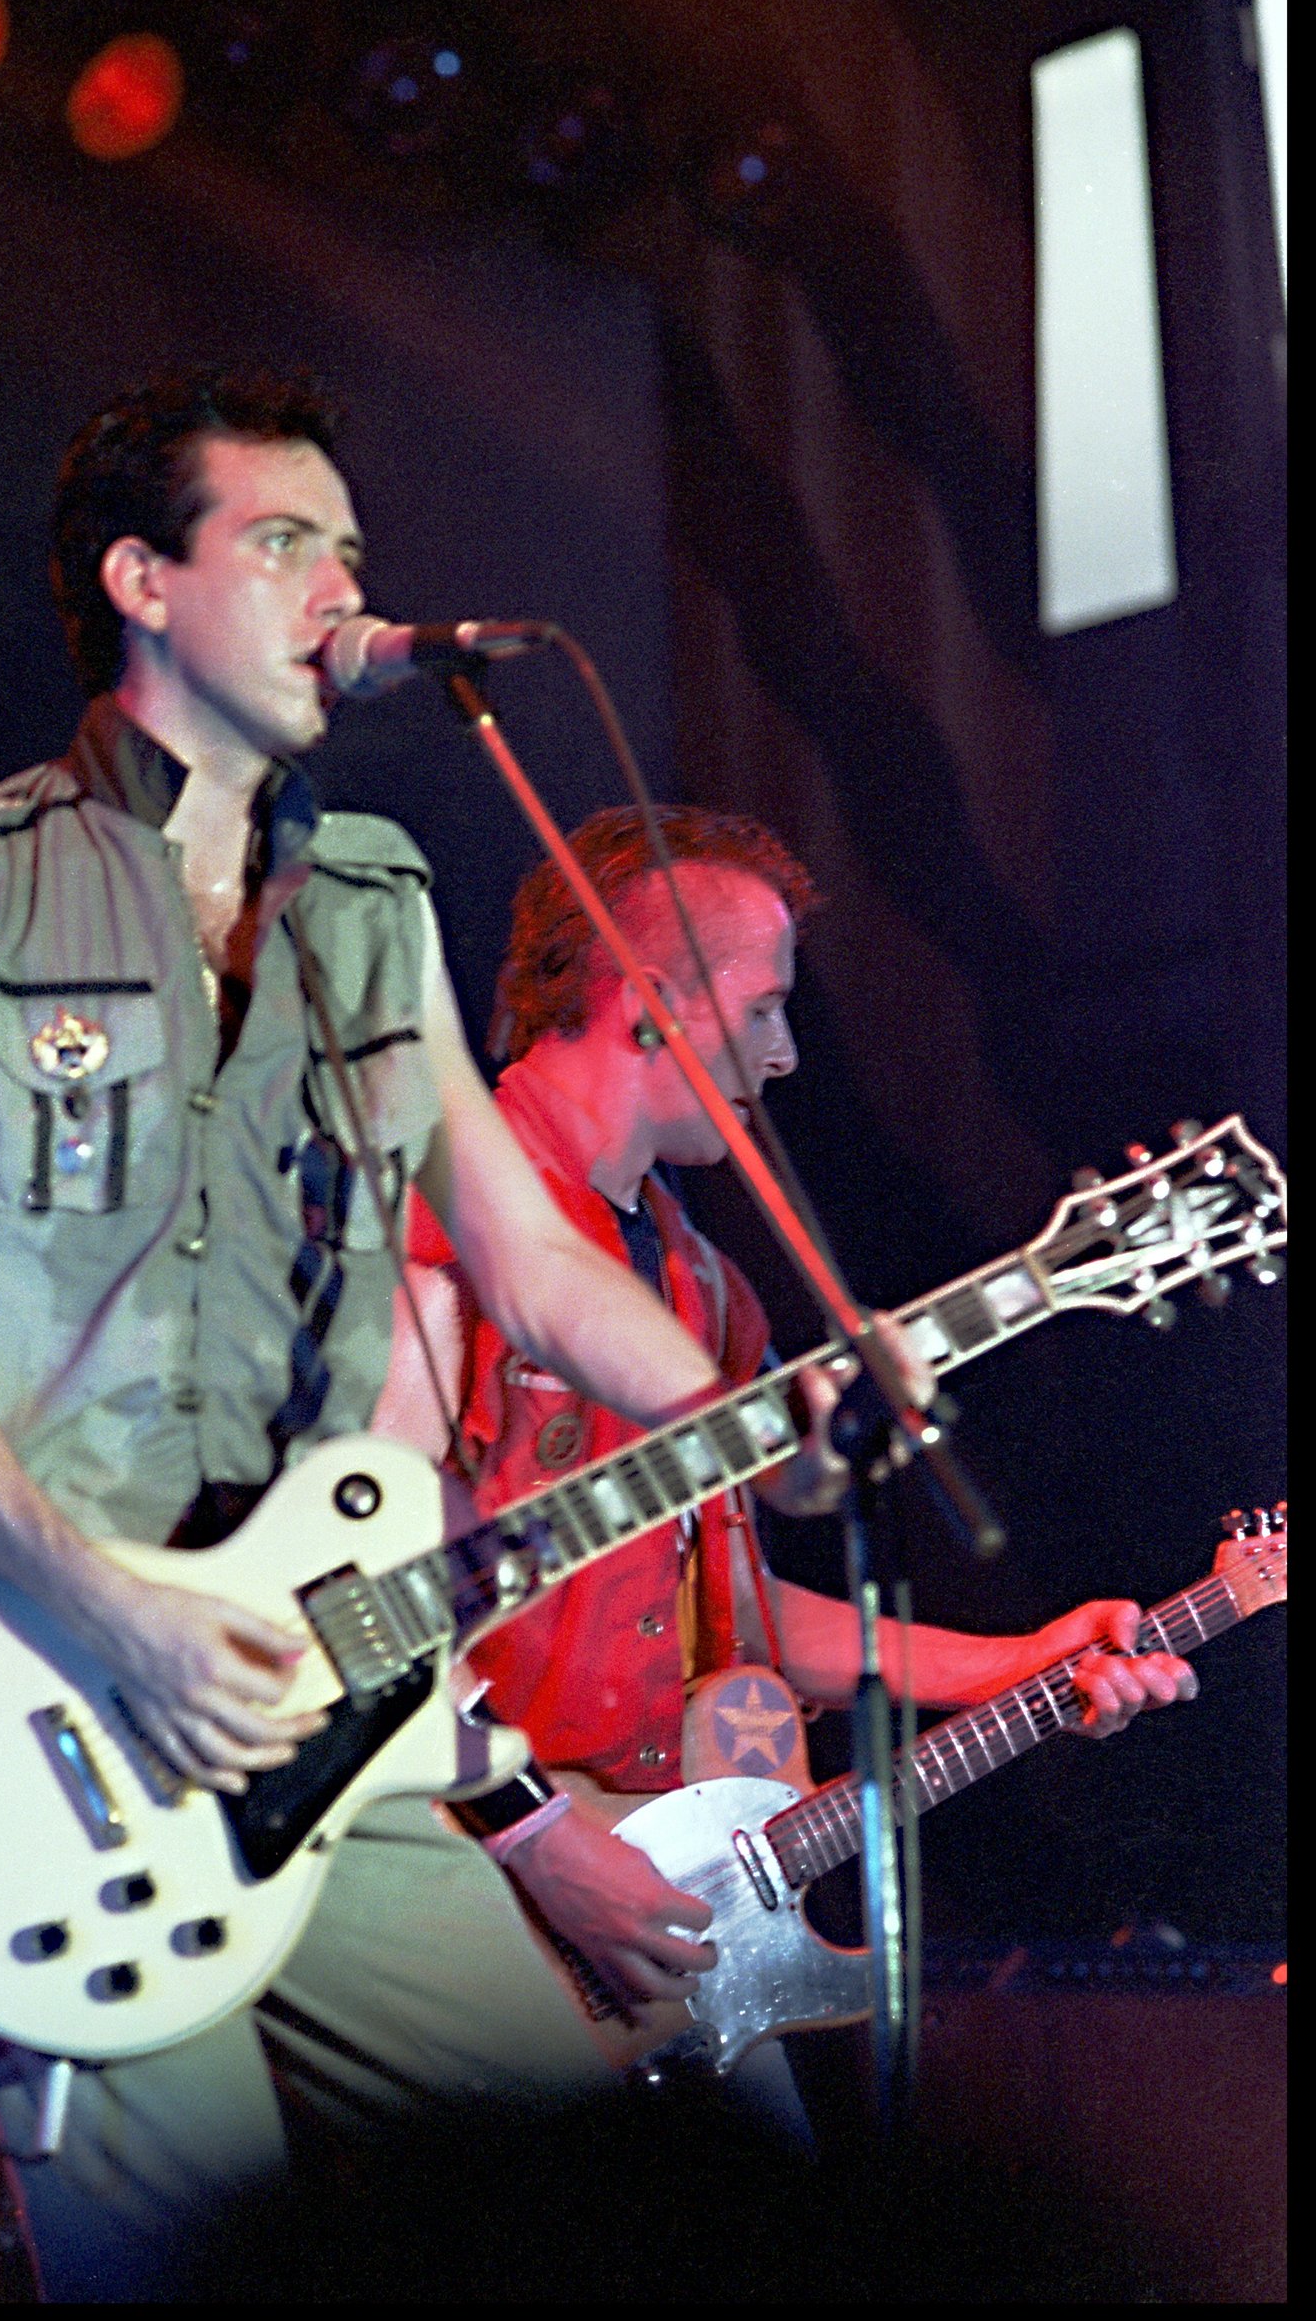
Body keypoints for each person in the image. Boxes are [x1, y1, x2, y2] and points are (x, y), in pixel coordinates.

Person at [0, 370, 852, 2301]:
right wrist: (118, 1612)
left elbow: (531, 1263)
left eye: (347, 548)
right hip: (64, 1692)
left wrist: (761, 1408)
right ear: (143, 580)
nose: (339, 589)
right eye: (281, 542)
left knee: (626, 2187)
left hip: (338, 1705)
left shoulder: (371, 900)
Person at [372, 805, 1200, 2081]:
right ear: (652, 1003)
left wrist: (1019, 1658)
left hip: (648, 1875)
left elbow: (736, 1611)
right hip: (461, 1857)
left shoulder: (705, 1288)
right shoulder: (438, 1216)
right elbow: (355, 1587)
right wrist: (534, 1835)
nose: (786, 1052)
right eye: (762, 1006)